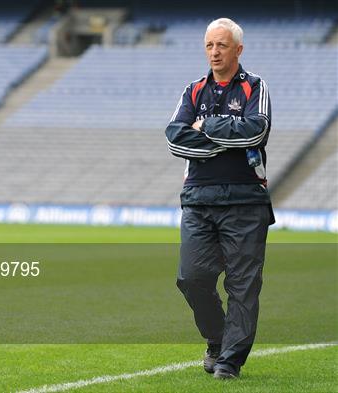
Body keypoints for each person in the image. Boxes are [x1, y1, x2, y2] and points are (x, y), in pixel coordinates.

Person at [165, 18, 274, 379]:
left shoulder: (255, 87)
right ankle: (217, 338)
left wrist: (206, 127)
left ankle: (228, 361)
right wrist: (227, 137)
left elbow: (255, 132)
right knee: (191, 278)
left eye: (222, 45)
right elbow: (174, 140)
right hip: (198, 198)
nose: (214, 52)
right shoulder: (193, 91)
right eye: (210, 45)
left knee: (242, 285)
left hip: (246, 200)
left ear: (238, 50)